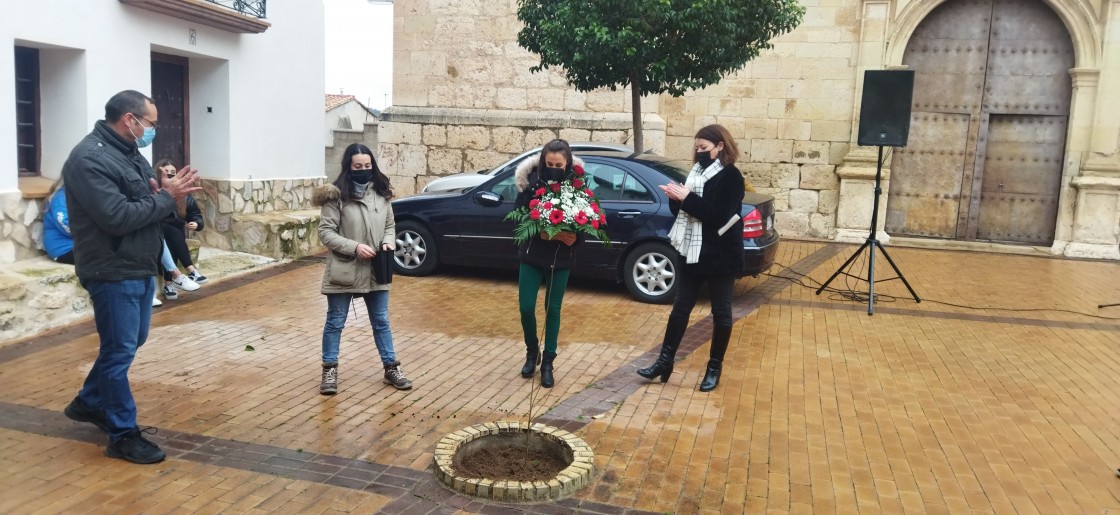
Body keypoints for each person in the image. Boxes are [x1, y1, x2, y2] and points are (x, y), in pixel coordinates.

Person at [61, 90, 200, 464]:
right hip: (111, 269)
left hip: (138, 265)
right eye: (151, 123)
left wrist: (173, 197)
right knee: (120, 350)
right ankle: (122, 434)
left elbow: (148, 205)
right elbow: (117, 217)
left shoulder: (130, 154)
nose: (153, 129)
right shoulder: (89, 159)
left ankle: (89, 402)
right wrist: (164, 197)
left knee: (129, 342)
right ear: (129, 119)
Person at [637, 124, 745, 392]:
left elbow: (718, 215)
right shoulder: (696, 174)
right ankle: (664, 361)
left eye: (704, 148)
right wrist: (675, 198)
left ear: (720, 147)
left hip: (720, 256)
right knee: (680, 308)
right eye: (696, 148)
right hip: (692, 251)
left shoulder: (731, 177)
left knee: (721, 313)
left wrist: (686, 198)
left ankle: (714, 368)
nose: (698, 153)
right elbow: (684, 212)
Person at [312, 143, 411, 395]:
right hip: (345, 267)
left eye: (367, 166)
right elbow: (325, 233)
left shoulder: (381, 193)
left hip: (377, 267)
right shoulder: (335, 197)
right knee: (335, 321)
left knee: (381, 320)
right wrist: (355, 247)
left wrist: (389, 240)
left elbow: (390, 225)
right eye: (358, 166)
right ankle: (329, 370)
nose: (363, 170)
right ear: (349, 167)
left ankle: (391, 367)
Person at [512, 139, 584, 388]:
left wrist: (576, 236)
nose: (554, 168)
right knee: (526, 307)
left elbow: (589, 219)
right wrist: (540, 233)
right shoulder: (529, 182)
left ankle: (549, 362)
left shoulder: (578, 185)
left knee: (553, 309)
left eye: (559, 164)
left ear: (568, 164)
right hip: (532, 253)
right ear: (543, 162)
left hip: (561, 256)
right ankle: (533, 351)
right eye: (549, 163)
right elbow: (517, 219)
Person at [153, 159, 207, 292]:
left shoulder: (184, 196)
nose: (170, 175)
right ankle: (191, 270)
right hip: (157, 232)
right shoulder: (153, 192)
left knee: (173, 236)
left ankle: (169, 284)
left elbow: (195, 213)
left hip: (174, 236)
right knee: (172, 231)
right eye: (166, 172)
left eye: (173, 172)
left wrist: (197, 223)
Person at [42, 178, 74, 264]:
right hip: (63, 249)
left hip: (78, 247)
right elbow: (64, 223)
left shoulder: (76, 195)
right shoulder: (60, 198)